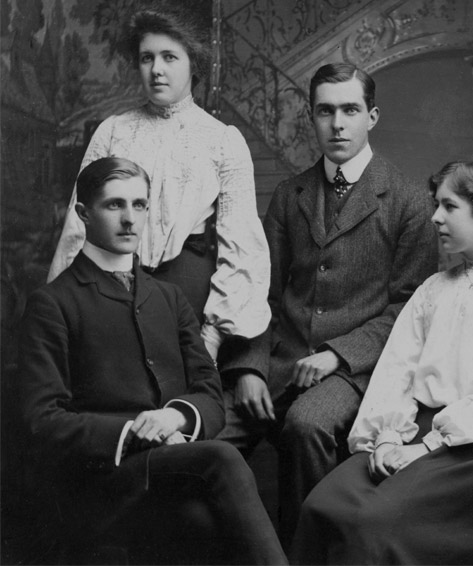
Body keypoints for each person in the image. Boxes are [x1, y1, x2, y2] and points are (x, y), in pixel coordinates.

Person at [18, 157, 286, 565]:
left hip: (172, 471)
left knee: (206, 522)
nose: (130, 219)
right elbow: (42, 420)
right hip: (104, 481)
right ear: (83, 214)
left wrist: (175, 418)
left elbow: (209, 395)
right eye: (115, 205)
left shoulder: (167, 298)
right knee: (221, 457)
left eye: (139, 205)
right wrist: (138, 431)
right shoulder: (53, 304)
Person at [291, 160, 473, 565]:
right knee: (321, 506)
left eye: (449, 207)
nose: (435, 217)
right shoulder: (433, 289)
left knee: (373, 524)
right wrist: (385, 436)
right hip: (409, 430)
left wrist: (427, 446)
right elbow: (396, 370)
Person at [216, 62, 439, 545]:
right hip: (279, 361)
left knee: (306, 424)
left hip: (354, 370)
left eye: (350, 110)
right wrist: (250, 367)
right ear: (311, 118)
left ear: (372, 117)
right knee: (210, 441)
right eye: (325, 111)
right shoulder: (289, 193)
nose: (337, 124)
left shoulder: (407, 200)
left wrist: (338, 353)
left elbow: (408, 308)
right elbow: (262, 293)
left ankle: (313, 552)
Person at [48, 1, 269, 365]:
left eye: (169, 57)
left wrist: (211, 336)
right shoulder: (113, 131)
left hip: (185, 288)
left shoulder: (222, 140)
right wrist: (63, 310)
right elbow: (78, 227)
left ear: (193, 64)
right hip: (111, 281)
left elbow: (242, 243)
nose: (156, 70)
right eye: (146, 58)